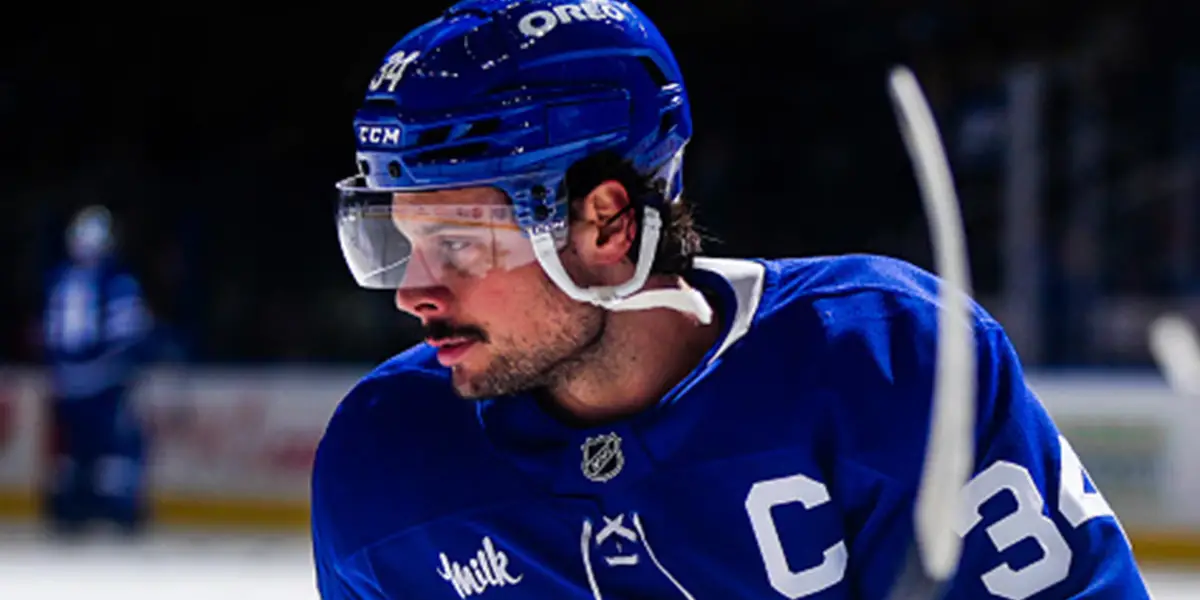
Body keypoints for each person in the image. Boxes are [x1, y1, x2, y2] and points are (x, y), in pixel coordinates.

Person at [311, 1, 1150, 597]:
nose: (414, 295)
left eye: (457, 244)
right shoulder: (383, 459)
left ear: (604, 225)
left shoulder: (882, 356)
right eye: (404, 243)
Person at [41, 205, 152, 536]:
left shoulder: (58, 278)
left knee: (73, 453)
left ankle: (69, 512)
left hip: (66, 383)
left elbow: (49, 335)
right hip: (102, 382)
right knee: (113, 452)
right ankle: (116, 515)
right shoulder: (116, 280)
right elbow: (128, 334)